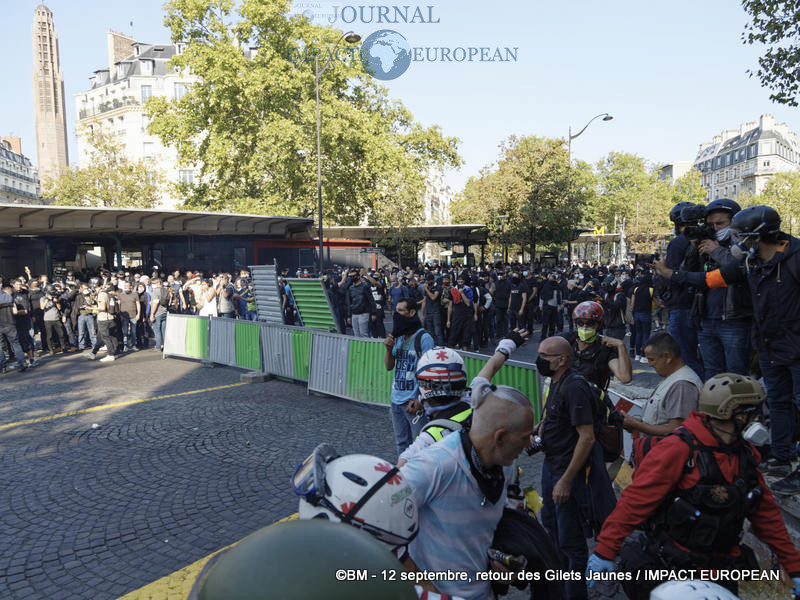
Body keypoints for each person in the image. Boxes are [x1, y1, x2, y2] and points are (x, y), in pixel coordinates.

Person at [586, 373, 800, 600]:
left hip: (721, 574)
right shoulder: (679, 450)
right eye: (750, 414)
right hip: (672, 572)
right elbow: (636, 502)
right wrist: (605, 551)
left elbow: (767, 516)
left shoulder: (744, 457)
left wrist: (794, 567)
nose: (757, 420)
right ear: (734, 416)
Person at [655, 205, 800, 488]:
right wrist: (672, 274)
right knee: (780, 402)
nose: (735, 243)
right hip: (770, 348)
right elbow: (710, 280)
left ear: (757, 237)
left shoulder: (795, 259)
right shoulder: (749, 263)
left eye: (739, 237)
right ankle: (781, 457)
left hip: (796, 347)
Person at [399, 379, 535, 600]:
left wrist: (502, 560)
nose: (530, 443)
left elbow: (491, 529)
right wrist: (427, 590)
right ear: (499, 437)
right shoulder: (435, 465)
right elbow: (377, 525)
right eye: (525, 437)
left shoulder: (506, 466)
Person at [536, 335, 616, 600]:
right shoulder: (556, 382)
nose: (540, 360)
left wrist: (566, 481)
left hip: (566, 473)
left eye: (545, 356)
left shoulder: (574, 387)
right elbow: (553, 419)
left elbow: (587, 437)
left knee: (571, 543)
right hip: (552, 466)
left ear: (562, 359)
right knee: (553, 529)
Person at [693, 198, 753, 378]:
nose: (716, 228)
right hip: (706, 318)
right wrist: (693, 250)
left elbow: (740, 268)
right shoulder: (705, 244)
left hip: (734, 320)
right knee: (712, 373)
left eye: (721, 223)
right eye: (711, 224)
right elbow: (689, 275)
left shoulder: (745, 244)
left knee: (736, 374)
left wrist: (716, 251)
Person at [621, 332, 701, 459]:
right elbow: (661, 420)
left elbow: (677, 431)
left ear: (667, 357)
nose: (649, 364)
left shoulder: (682, 385)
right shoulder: (672, 378)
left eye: (651, 359)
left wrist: (637, 426)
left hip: (665, 459)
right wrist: (638, 422)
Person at [384, 297, 434, 458]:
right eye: (395, 310)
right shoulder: (398, 336)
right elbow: (389, 366)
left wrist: (419, 398)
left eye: (400, 311)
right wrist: (388, 349)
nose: (395, 315)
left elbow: (430, 372)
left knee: (420, 445)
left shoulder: (424, 338)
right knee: (401, 443)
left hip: (413, 402)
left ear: (412, 312)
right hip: (396, 399)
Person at [662, 201, 704, 380]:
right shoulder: (707, 239)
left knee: (685, 358)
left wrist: (661, 270)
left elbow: (670, 276)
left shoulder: (678, 243)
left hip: (681, 305)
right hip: (703, 304)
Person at [561, 301, 632, 390]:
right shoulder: (567, 340)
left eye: (590, 323)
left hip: (590, 399)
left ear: (598, 325)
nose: (585, 327)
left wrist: (621, 346)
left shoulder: (605, 348)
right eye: (580, 323)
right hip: (564, 397)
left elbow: (625, 378)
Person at [88, 283, 121, 362]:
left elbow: (102, 307)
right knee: (107, 336)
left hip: (104, 318)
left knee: (105, 337)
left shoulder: (102, 294)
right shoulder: (108, 294)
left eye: (94, 288)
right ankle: (94, 353)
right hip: (111, 318)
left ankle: (110, 354)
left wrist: (90, 308)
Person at [0, 282, 28, 373]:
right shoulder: (9, 297)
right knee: (15, 344)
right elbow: (15, 312)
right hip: (10, 323)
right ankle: (22, 363)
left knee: (0, 346)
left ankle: (2, 366)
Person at [446, 273, 474, 349]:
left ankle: (465, 353)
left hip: (467, 316)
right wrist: (448, 320)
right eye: (458, 279)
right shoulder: (453, 290)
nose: (460, 281)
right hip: (456, 316)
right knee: (453, 336)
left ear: (464, 281)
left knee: (466, 338)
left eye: (461, 279)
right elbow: (450, 306)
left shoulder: (468, 290)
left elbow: (468, 303)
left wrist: (461, 293)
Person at [343, 269, 372, 338]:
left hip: (364, 313)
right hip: (354, 314)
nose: (352, 278)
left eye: (354, 276)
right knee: (356, 335)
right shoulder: (350, 288)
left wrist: (373, 313)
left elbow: (371, 300)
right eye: (351, 276)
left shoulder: (365, 286)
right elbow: (349, 302)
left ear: (358, 276)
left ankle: (366, 348)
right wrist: (349, 316)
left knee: (363, 334)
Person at [41, 284, 68, 355]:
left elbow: (59, 308)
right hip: (47, 319)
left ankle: (63, 347)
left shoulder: (55, 298)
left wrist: (55, 301)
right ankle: (50, 349)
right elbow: (42, 307)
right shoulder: (43, 298)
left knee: (61, 334)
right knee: (49, 335)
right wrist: (47, 300)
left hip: (56, 318)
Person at [420, 273, 444, 345]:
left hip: (436, 312)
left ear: (433, 280)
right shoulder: (427, 288)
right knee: (430, 332)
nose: (427, 282)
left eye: (429, 281)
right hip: (428, 312)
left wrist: (426, 289)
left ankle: (440, 346)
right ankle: (432, 346)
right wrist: (422, 314)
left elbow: (433, 297)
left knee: (437, 332)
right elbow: (424, 301)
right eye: (427, 281)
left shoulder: (438, 287)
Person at [117, 280, 141, 351]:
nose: (126, 287)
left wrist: (138, 314)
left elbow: (138, 304)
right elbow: (118, 305)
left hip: (133, 315)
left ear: (131, 287)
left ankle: (133, 345)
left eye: (127, 286)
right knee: (125, 332)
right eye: (125, 286)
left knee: (133, 332)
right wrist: (120, 315)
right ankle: (125, 345)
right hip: (124, 316)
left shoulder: (135, 294)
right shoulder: (120, 295)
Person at [149, 278, 171, 351]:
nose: (152, 285)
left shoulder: (156, 291)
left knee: (157, 330)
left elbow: (155, 303)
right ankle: (166, 346)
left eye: (153, 283)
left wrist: (152, 314)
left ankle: (158, 346)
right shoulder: (165, 290)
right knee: (164, 331)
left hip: (157, 313)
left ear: (158, 283)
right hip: (164, 311)